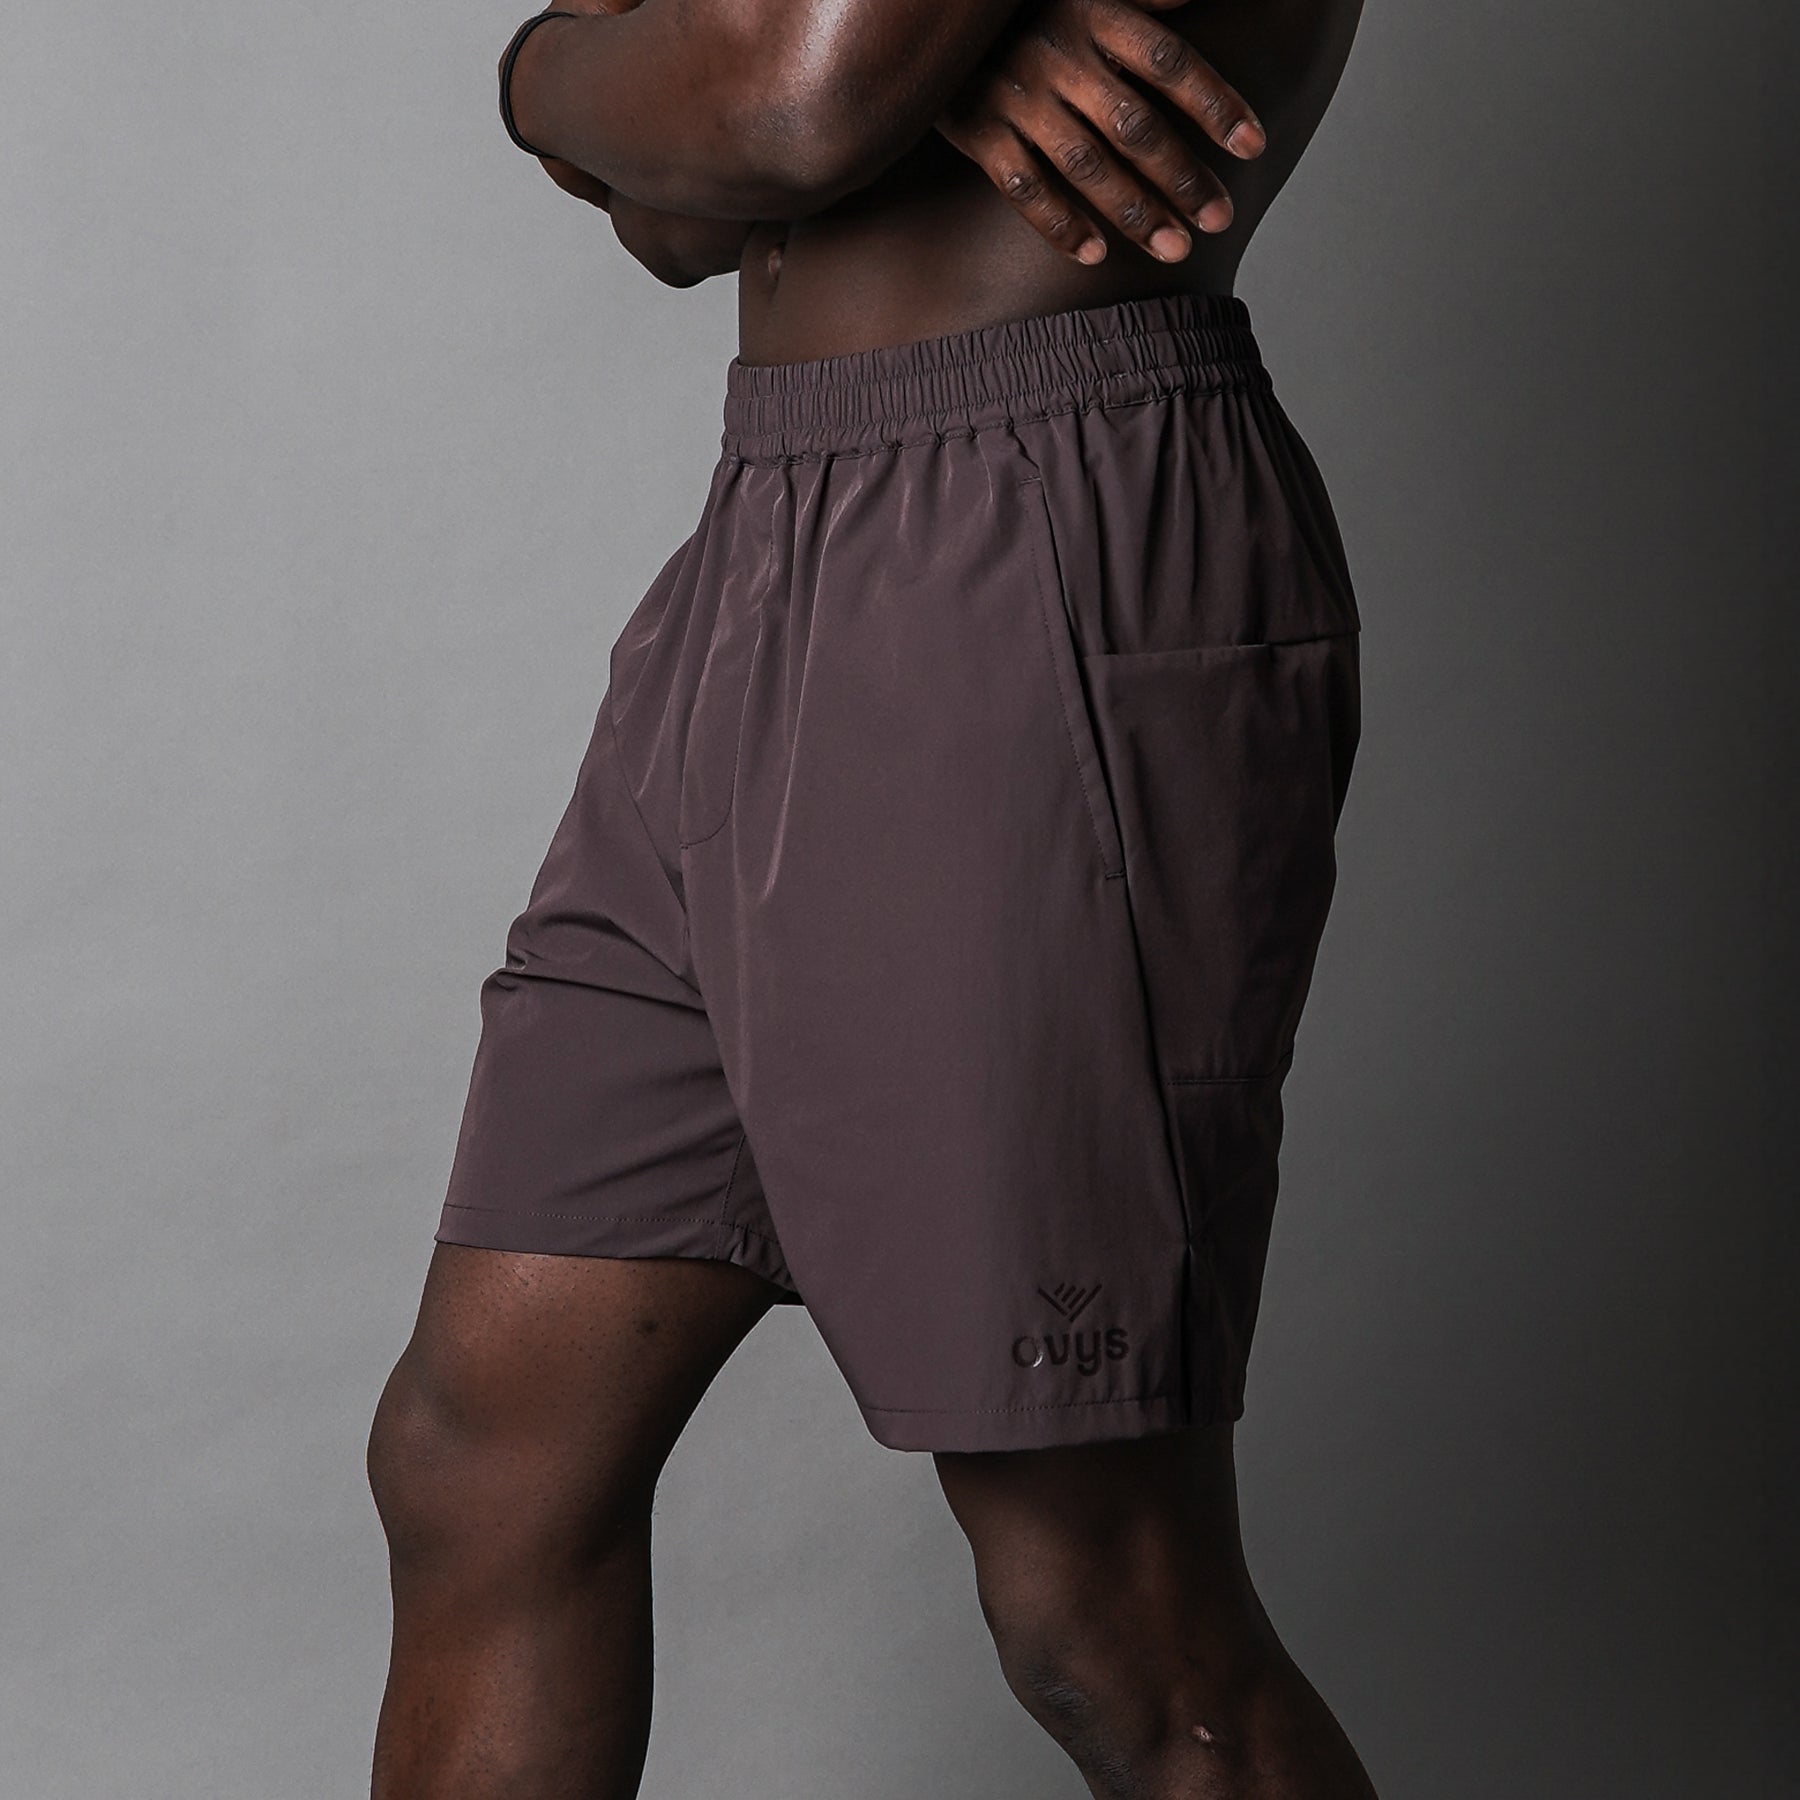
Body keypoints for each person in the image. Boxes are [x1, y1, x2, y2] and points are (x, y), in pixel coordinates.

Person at [367, 0, 1376, 1794]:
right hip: (764, 541)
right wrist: (586, 72)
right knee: (484, 1458)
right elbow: (679, 215)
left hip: (1036, 524)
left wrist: (567, 75)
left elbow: (779, 106)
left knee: (1108, 1609)